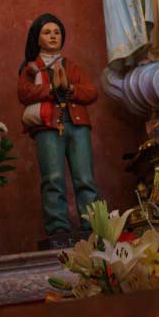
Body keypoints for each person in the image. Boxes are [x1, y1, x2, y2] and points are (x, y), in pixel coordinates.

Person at [18, 13, 99, 235]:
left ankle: (93, 226)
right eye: (47, 32)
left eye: (57, 32)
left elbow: (91, 91)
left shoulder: (71, 66)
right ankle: (58, 228)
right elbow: (24, 92)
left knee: (85, 177)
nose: (53, 37)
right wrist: (52, 90)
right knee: (53, 178)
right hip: (48, 126)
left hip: (77, 125)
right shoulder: (31, 68)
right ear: (37, 38)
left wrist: (71, 90)